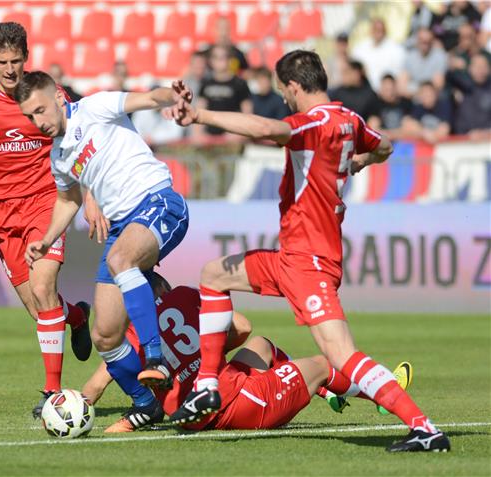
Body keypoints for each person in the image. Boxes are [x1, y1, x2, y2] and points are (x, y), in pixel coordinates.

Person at [168, 49, 450, 453]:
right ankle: (208, 386)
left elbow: (264, 128)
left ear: (295, 87)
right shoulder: (349, 120)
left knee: (342, 354)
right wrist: (360, 161)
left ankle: (424, 428)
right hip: (291, 258)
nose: (284, 98)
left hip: (309, 263)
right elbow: (385, 146)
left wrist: (200, 117)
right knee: (215, 274)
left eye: (284, 90)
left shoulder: (313, 123)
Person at [14, 72, 191, 428]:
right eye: (30, 116)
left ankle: (155, 359)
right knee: (105, 337)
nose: (38, 122)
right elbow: (68, 200)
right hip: (123, 229)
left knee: (120, 259)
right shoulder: (59, 156)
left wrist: (169, 94)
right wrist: (47, 240)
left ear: (59, 99)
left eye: (40, 110)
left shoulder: (95, 107)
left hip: (158, 202)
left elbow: (147, 98)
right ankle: (146, 403)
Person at [0, 22, 92, 419]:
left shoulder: (49, 95)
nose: (10, 70)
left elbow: (81, 141)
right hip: (2, 213)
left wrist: (91, 195)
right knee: (38, 307)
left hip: (47, 202)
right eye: (2, 63)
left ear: (26, 58)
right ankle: (77, 316)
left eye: (16, 61)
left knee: (44, 287)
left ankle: (53, 394)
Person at [84, 273, 413, 433]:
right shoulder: (182, 295)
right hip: (234, 404)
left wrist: (76, 406)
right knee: (322, 363)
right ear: (164, 289)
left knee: (263, 346)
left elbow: (98, 384)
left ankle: (327, 393)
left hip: (192, 418)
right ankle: (380, 393)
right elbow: (241, 327)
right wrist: (206, 352)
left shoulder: (133, 337)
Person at [193, 45, 252, 142]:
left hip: (233, 137)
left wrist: (240, 134)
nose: (219, 61)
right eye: (215, 57)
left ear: (230, 60)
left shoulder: (240, 84)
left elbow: (248, 115)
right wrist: (198, 134)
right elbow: (199, 110)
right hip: (210, 138)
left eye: (223, 57)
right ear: (211, 61)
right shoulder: (205, 83)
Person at [351, 18, 405, 91]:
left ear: (385, 31)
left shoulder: (396, 50)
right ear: (371, 30)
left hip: (387, 92)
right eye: (375, 29)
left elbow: (399, 74)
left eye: (380, 30)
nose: (378, 32)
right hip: (364, 92)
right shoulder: (360, 49)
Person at [397, 27, 448, 97]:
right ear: (417, 41)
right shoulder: (410, 56)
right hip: (413, 98)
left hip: (433, 98)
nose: (425, 44)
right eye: (422, 41)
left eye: (427, 41)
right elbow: (401, 87)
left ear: (432, 41)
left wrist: (413, 89)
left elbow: (438, 85)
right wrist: (421, 92)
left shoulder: (440, 56)